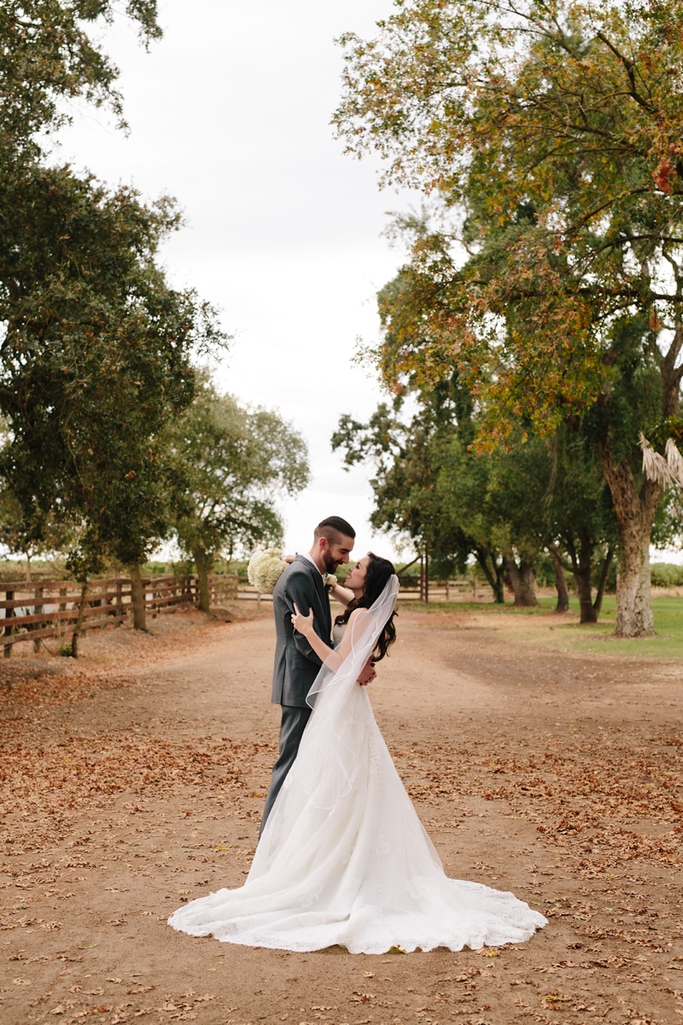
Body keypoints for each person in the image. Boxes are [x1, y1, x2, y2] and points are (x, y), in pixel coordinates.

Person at [168, 552, 547, 954]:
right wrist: (308, 568)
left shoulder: (363, 616)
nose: (352, 568)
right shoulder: (362, 609)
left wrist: (307, 629)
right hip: (347, 709)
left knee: (341, 784)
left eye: (359, 566)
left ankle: (336, 872)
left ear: (371, 581)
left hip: (344, 708)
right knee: (343, 784)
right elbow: (348, 598)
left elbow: (338, 663)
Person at [260, 516, 375, 833]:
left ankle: (297, 841)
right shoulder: (300, 575)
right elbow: (304, 641)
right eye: (343, 551)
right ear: (323, 543)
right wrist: (348, 667)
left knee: (308, 766)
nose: (346, 559)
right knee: (290, 766)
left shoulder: (310, 572)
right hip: (298, 684)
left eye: (351, 554)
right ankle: (269, 847)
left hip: (313, 682)